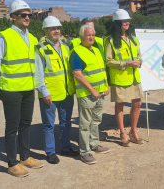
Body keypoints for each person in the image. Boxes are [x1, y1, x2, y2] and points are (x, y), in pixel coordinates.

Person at [0, 0, 43, 177]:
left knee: (25, 124)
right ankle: (12, 163)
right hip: (10, 90)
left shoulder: (32, 38)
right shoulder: (3, 37)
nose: (28, 18)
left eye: (29, 15)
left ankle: (25, 157)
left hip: (28, 88)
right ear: (14, 17)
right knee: (12, 127)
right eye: (23, 15)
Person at [34, 16, 78, 164]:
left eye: (58, 28)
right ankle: (50, 152)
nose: (56, 31)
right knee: (49, 125)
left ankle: (65, 148)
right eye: (53, 29)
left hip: (66, 93)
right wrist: (44, 92)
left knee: (66, 123)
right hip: (50, 95)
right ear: (45, 31)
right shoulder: (40, 48)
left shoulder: (65, 47)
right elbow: (38, 74)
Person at [70, 24, 111, 164]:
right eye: (88, 35)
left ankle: (94, 144)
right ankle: (85, 151)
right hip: (87, 94)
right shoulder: (77, 52)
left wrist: (106, 86)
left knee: (96, 121)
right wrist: (92, 90)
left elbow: (101, 69)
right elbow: (77, 74)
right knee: (85, 124)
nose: (91, 37)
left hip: (100, 93)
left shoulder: (96, 49)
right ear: (81, 36)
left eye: (93, 35)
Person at [105, 9, 144, 146]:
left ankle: (133, 132)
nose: (127, 22)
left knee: (138, 103)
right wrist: (126, 64)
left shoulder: (133, 38)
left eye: (128, 20)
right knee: (120, 105)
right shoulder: (110, 40)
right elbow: (109, 61)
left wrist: (140, 61)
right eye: (124, 21)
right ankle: (122, 133)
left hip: (134, 78)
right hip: (120, 78)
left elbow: (138, 55)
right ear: (118, 23)